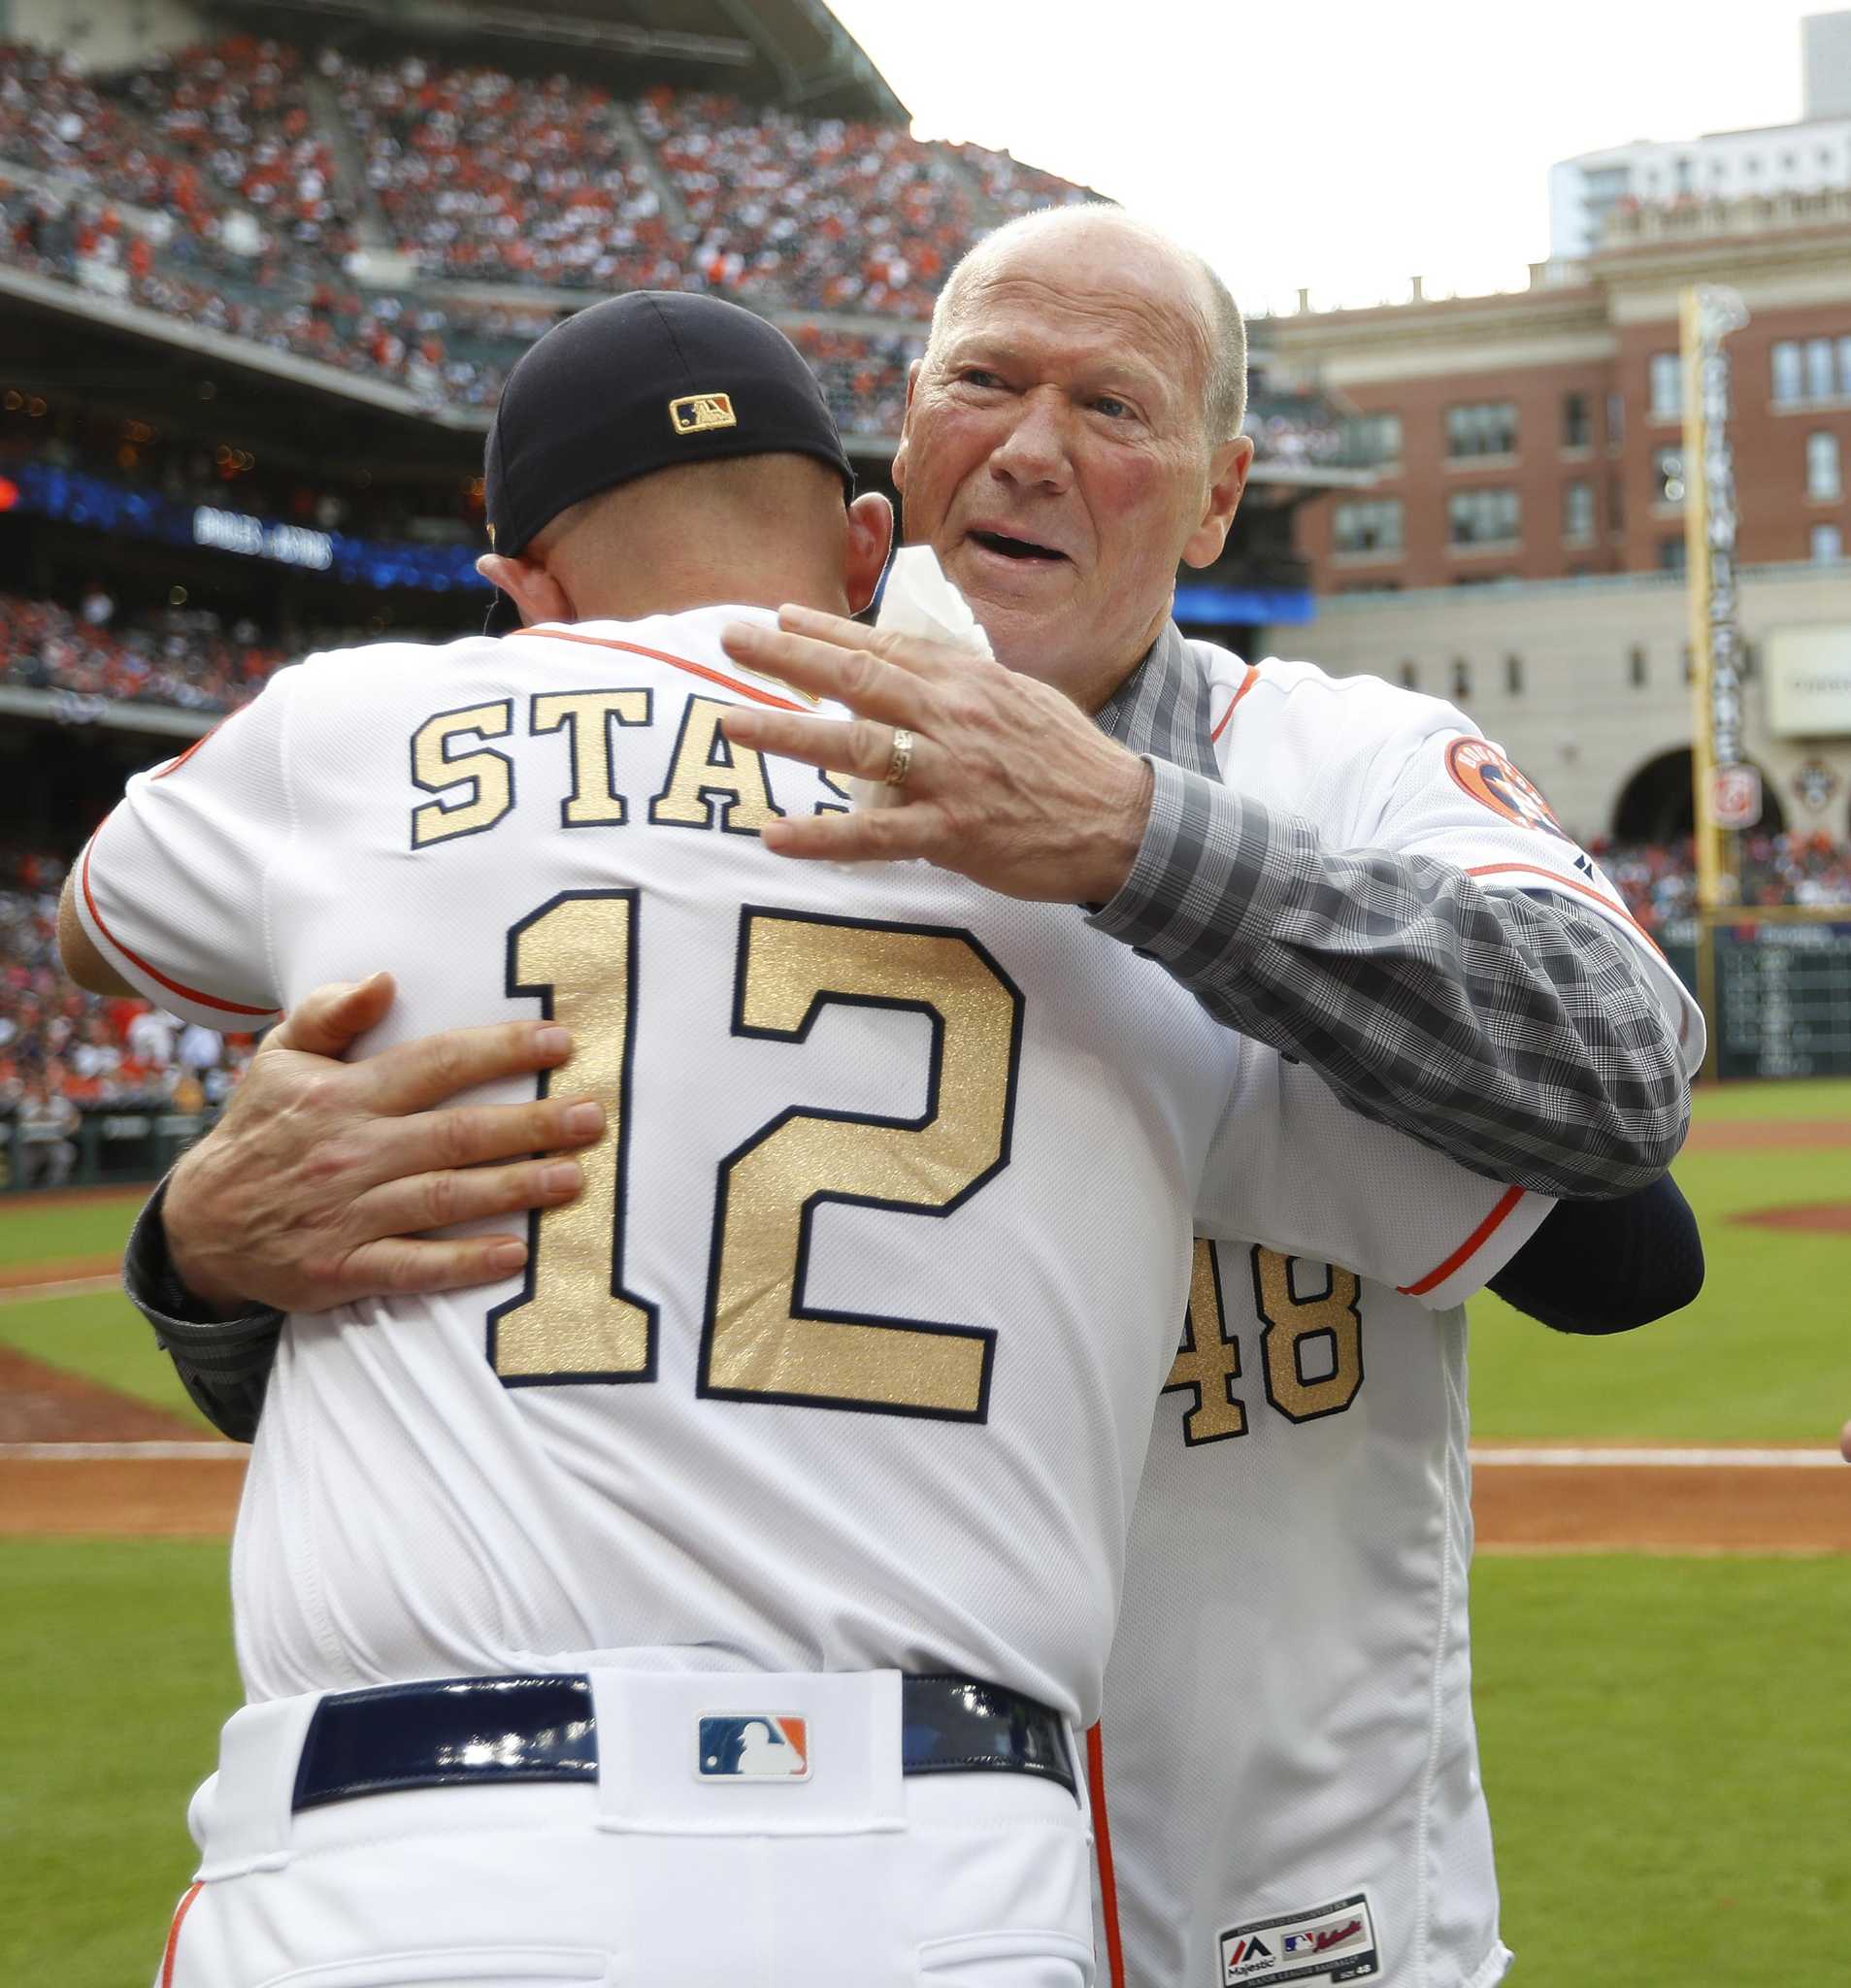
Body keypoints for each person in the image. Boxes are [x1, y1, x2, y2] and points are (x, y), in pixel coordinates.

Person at [118, 212, 1702, 1988]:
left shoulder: (1331, 760)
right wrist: (203, 1261)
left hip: (1284, 1901)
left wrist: (1136, 844)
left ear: (1214, 500)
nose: (1032, 445)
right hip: (873, 1884)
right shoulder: (662, 785)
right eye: (984, 382)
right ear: (901, 452)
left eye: (1114, 404)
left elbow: (1622, 1181)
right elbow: (482, 1350)